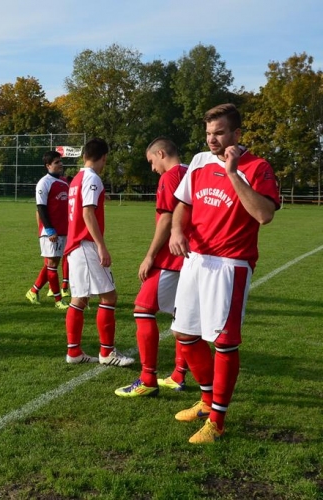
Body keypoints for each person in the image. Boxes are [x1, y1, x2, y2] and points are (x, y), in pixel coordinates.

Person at [168, 103, 278, 444]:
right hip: (196, 259)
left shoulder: (257, 167)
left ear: (236, 134)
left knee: (225, 342)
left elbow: (264, 215)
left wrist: (232, 172)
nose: (212, 140)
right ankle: (205, 400)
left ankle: (217, 421)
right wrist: (176, 231)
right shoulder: (199, 162)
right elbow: (182, 204)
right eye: (208, 134)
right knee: (185, 335)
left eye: (219, 133)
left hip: (231, 265)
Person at [115, 137, 189, 397]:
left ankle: (148, 379)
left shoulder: (169, 178)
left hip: (171, 258)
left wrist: (149, 256)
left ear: (161, 153)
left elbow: (167, 219)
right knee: (182, 317)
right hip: (191, 257)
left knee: (143, 309)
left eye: (151, 161)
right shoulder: (192, 172)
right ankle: (179, 375)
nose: (152, 168)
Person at [63, 138, 134, 367]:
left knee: (80, 299)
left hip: (75, 245)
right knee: (109, 296)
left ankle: (74, 352)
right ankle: (107, 352)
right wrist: (101, 245)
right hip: (85, 244)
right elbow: (88, 213)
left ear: (84, 155)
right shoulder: (92, 178)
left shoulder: (76, 179)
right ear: (103, 157)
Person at [25, 151, 69, 310]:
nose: (60, 165)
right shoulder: (44, 182)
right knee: (51, 264)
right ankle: (58, 300)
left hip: (64, 230)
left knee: (52, 263)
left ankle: (33, 291)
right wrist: (49, 229)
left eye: (60, 162)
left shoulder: (64, 183)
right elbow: (41, 207)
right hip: (51, 232)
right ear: (48, 165)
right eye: (56, 162)